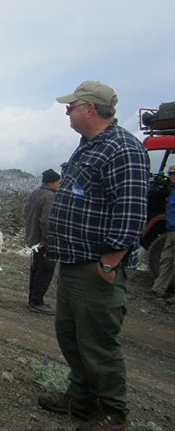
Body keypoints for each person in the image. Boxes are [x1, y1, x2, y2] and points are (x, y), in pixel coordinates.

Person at [40, 81, 150, 431]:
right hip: (75, 262)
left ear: (90, 108)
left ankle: (112, 412)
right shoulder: (89, 146)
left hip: (97, 265)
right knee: (71, 334)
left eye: (71, 106)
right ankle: (82, 395)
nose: (67, 112)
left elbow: (131, 211)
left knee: (98, 340)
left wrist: (110, 261)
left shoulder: (122, 149)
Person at [24, 168, 61, 316]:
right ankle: (37, 302)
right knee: (45, 270)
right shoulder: (50, 196)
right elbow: (46, 221)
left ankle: (33, 299)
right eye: (59, 182)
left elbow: (26, 213)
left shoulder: (35, 193)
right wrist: (46, 240)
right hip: (44, 241)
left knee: (36, 268)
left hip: (34, 239)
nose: (60, 184)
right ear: (53, 183)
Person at [151, 164, 175, 302]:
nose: (172, 176)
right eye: (170, 173)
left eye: (174, 174)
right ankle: (159, 288)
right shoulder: (172, 191)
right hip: (171, 230)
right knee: (166, 259)